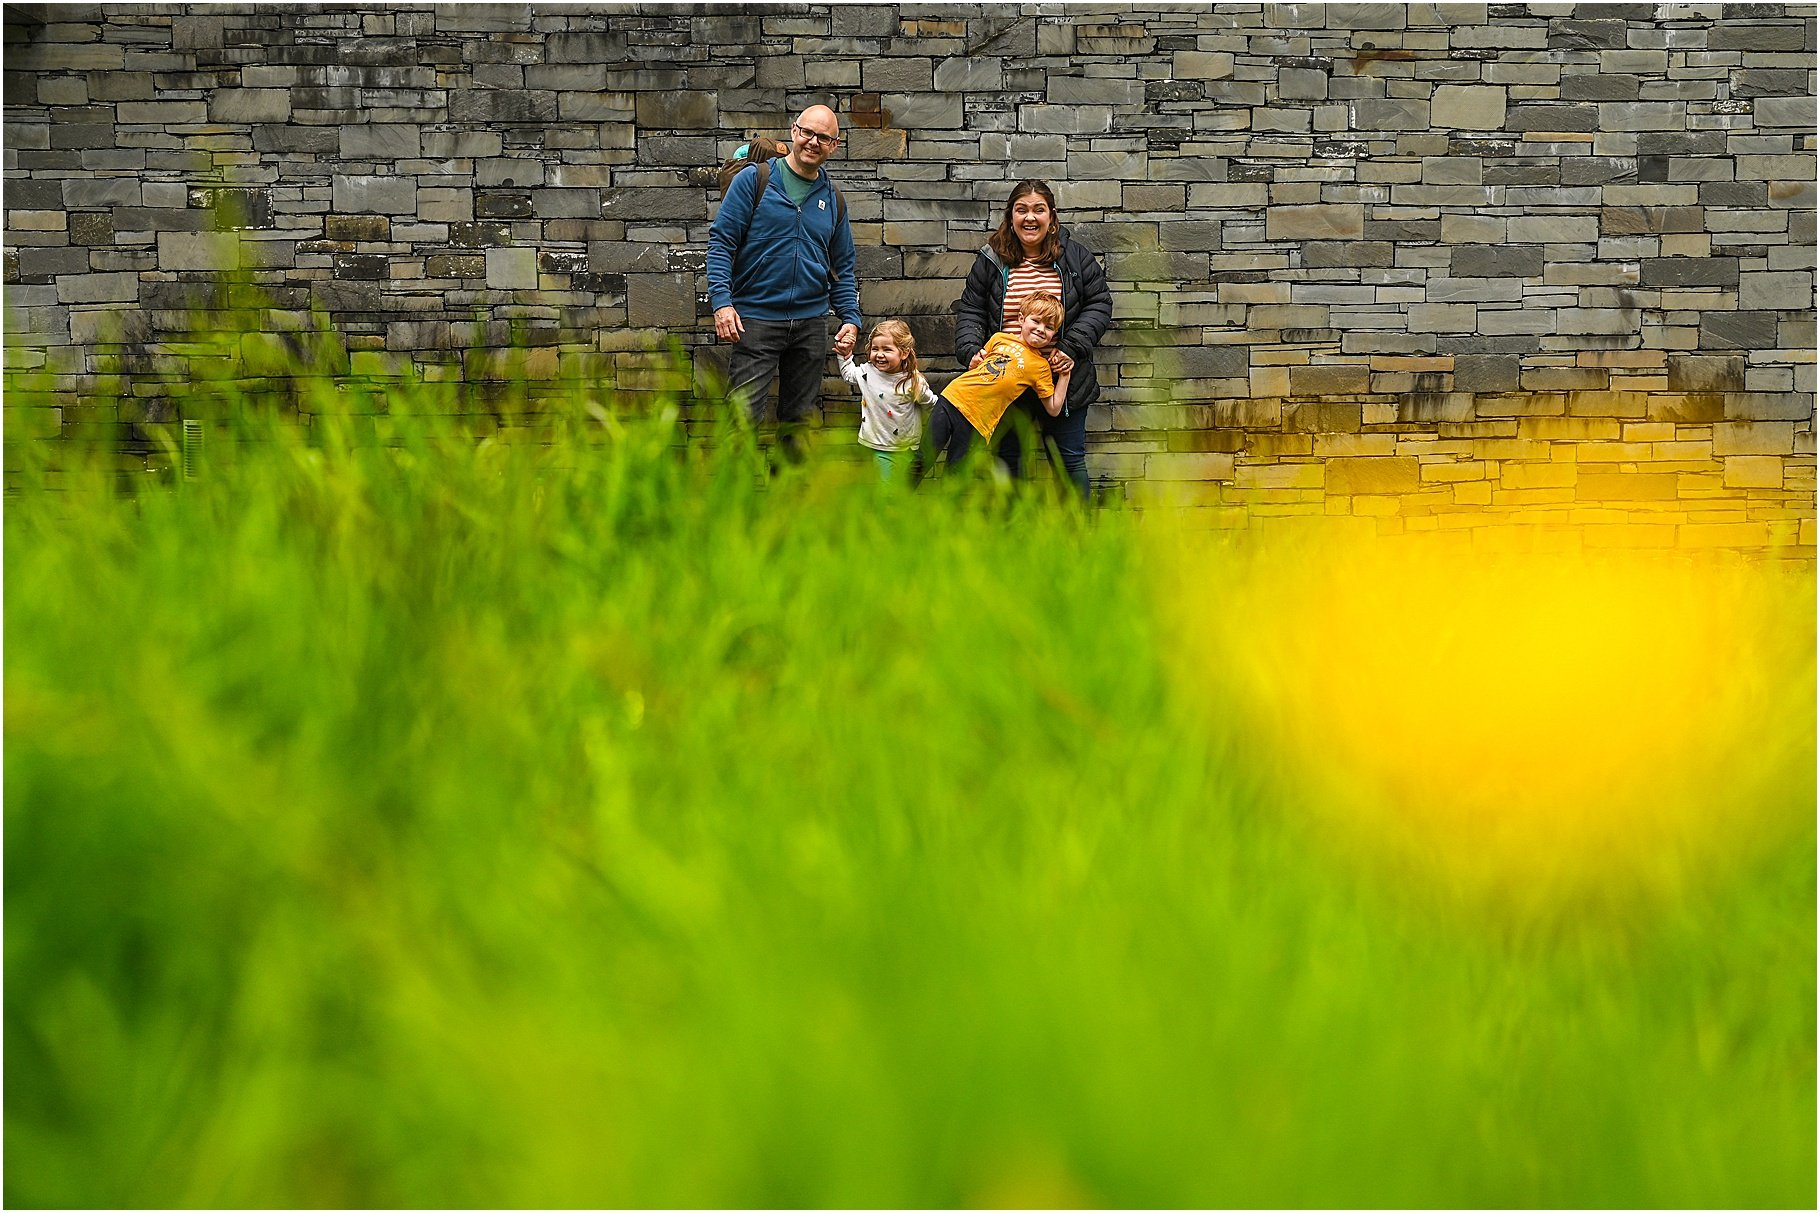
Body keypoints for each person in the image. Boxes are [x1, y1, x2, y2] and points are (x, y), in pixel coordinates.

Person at [706, 104, 861, 461]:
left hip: (810, 325)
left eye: (824, 137)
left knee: (798, 427)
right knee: (741, 422)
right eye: (808, 132)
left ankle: (786, 508)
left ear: (834, 146)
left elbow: (842, 268)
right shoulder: (754, 180)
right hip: (756, 320)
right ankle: (735, 511)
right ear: (794, 131)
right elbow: (721, 243)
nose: (813, 142)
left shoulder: (833, 199)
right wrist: (722, 302)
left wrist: (850, 318)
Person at [953, 179, 1114, 497]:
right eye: (1021, 210)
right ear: (1010, 217)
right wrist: (970, 349)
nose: (1030, 217)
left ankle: (1079, 539)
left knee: (1069, 464)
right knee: (1009, 465)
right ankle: (1017, 540)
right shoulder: (992, 260)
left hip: (1061, 383)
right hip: (1006, 385)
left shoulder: (1075, 258)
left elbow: (1100, 303)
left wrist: (1071, 347)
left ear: (1051, 217)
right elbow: (971, 309)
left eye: (1038, 210)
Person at [918, 292, 1071, 479]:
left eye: (1049, 327)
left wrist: (1065, 374)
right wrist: (974, 360)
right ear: (1021, 319)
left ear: (1054, 334)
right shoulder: (999, 338)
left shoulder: (1040, 366)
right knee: (922, 458)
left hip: (978, 422)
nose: (1041, 329)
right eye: (1036, 321)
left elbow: (1054, 408)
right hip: (952, 400)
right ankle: (895, 502)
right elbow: (978, 366)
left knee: (955, 475)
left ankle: (945, 509)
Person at [837, 319, 937, 481]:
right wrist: (844, 355)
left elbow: (932, 404)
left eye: (887, 349)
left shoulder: (912, 381)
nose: (880, 354)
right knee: (886, 489)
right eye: (875, 349)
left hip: (906, 447)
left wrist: (935, 430)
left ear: (904, 353)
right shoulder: (867, 372)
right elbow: (849, 375)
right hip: (877, 446)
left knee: (902, 488)